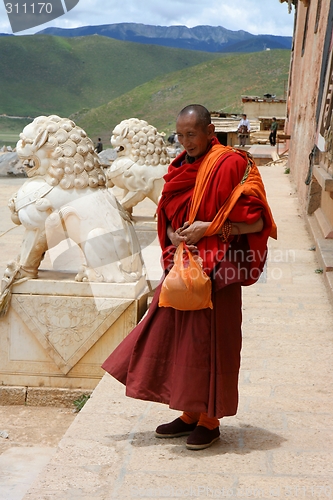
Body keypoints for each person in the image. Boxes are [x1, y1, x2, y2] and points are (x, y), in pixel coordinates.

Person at [102, 104, 277, 450]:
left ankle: (210, 421)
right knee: (178, 339)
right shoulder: (179, 167)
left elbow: (259, 223)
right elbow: (166, 216)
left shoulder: (231, 165)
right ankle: (188, 413)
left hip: (218, 272)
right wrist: (175, 237)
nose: (185, 142)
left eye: (191, 134)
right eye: (180, 136)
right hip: (182, 268)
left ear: (210, 131)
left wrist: (210, 228)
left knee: (211, 343)